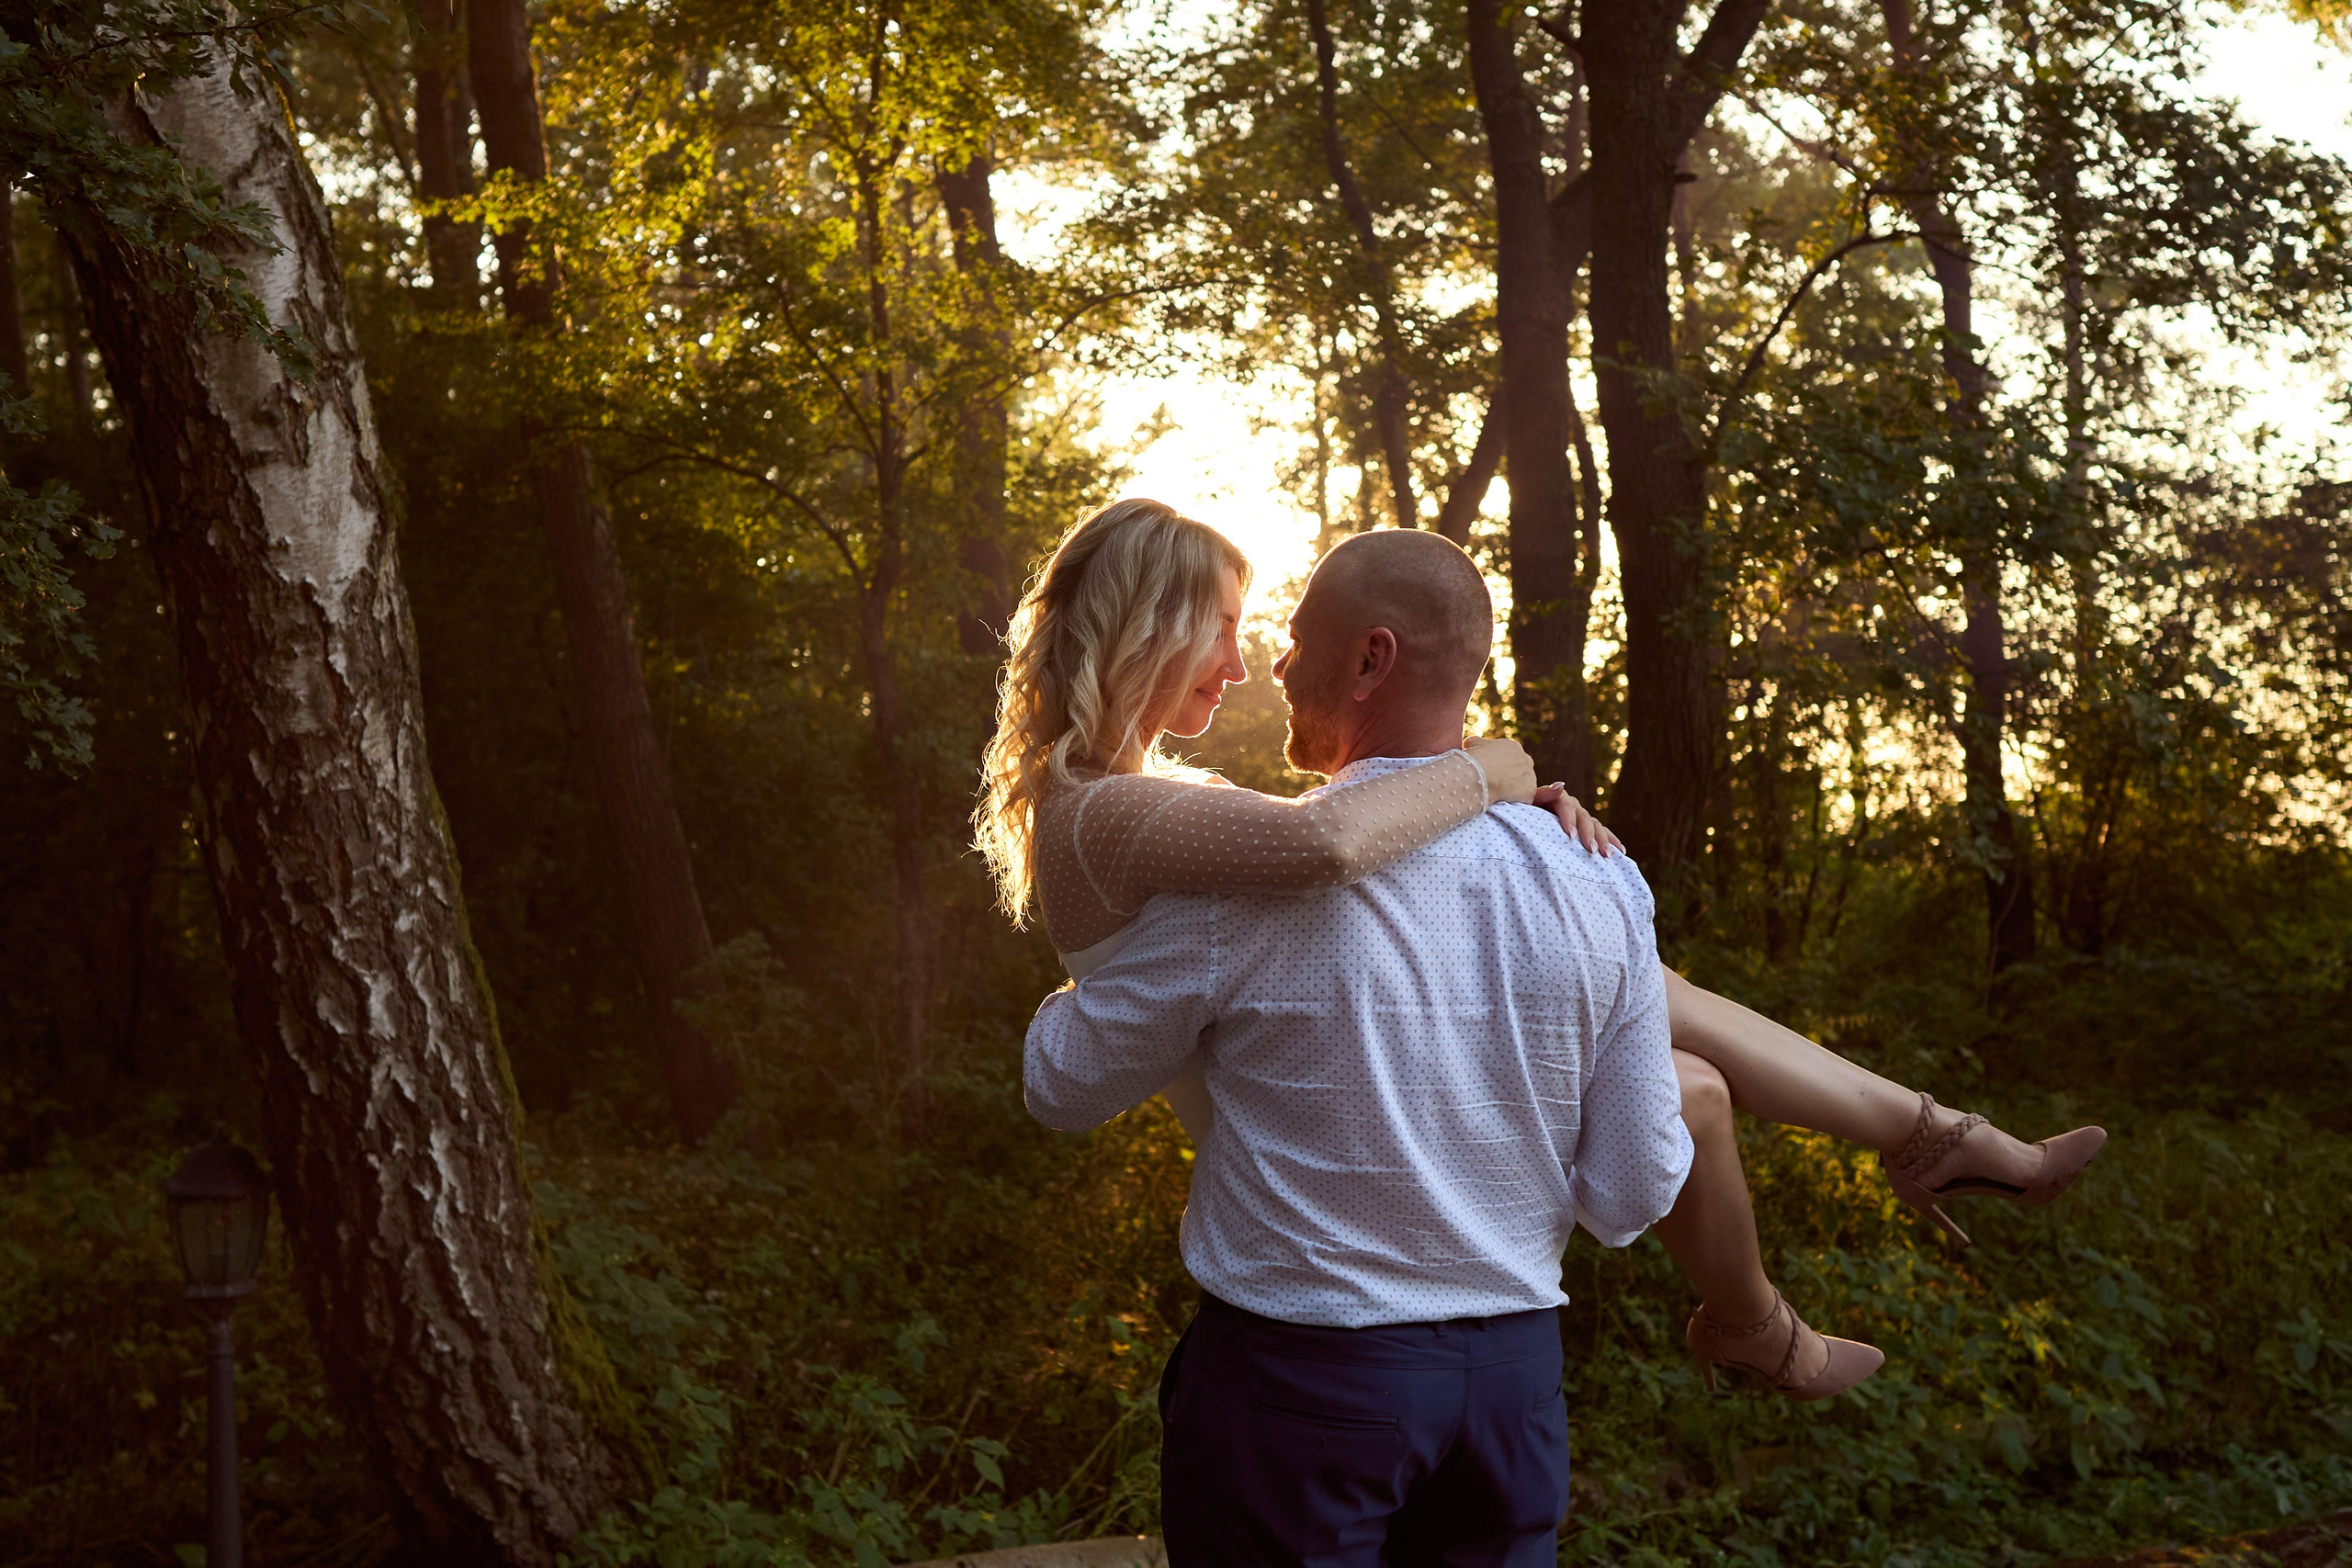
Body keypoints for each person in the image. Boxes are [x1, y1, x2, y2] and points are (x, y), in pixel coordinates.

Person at [975, 500, 2105, 1408]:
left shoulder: (1140, 801)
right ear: (1148, 627)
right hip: (1321, 1190)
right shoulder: (1102, 811)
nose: (1243, 660)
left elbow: (1339, 846)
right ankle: (1842, 1231)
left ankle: (1919, 1148)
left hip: (1345, 1172)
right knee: (1681, 1076)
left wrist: (1480, 820)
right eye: (1222, 625)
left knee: (1660, 1017)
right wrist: (1494, 773)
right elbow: (1325, 839)